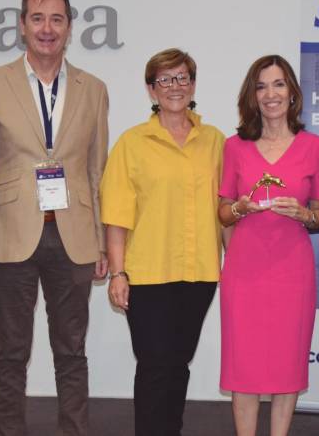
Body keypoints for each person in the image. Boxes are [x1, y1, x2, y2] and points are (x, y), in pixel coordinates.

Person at [0, 0, 108, 436]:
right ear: (21, 25)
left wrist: (103, 240)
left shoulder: (94, 89)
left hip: (74, 236)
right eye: (37, 18)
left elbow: (96, 169)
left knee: (72, 350)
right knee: (11, 351)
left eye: (56, 19)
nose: (47, 28)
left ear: (69, 27)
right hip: (10, 233)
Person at [100, 48, 224, 436]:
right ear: (151, 90)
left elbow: (226, 208)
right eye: (165, 80)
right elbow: (117, 217)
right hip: (148, 274)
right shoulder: (131, 143)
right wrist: (118, 273)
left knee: (178, 364)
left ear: (193, 84)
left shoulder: (215, 141)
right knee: (154, 366)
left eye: (183, 77)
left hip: (199, 272)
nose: (175, 86)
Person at [217, 55, 319, 436]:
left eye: (278, 84)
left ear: (292, 92)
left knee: (288, 364)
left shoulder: (315, 146)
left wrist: (302, 213)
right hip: (244, 272)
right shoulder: (234, 147)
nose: (270, 94)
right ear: (252, 96)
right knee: (243, 367)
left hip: (292, 273)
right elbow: (222, 212)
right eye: (261, 86)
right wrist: (238, 207)